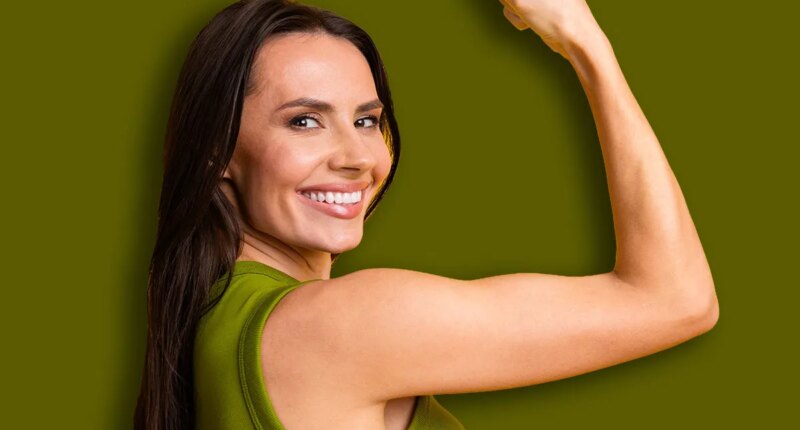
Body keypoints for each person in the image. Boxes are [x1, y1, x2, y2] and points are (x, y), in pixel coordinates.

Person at [134, 0, 720, 428]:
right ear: (217, 152)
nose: (358, 157)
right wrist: (584, 41)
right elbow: (675, 299)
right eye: (304, 121)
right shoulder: (338, 325)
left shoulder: (214, 322)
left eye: (366, 120)